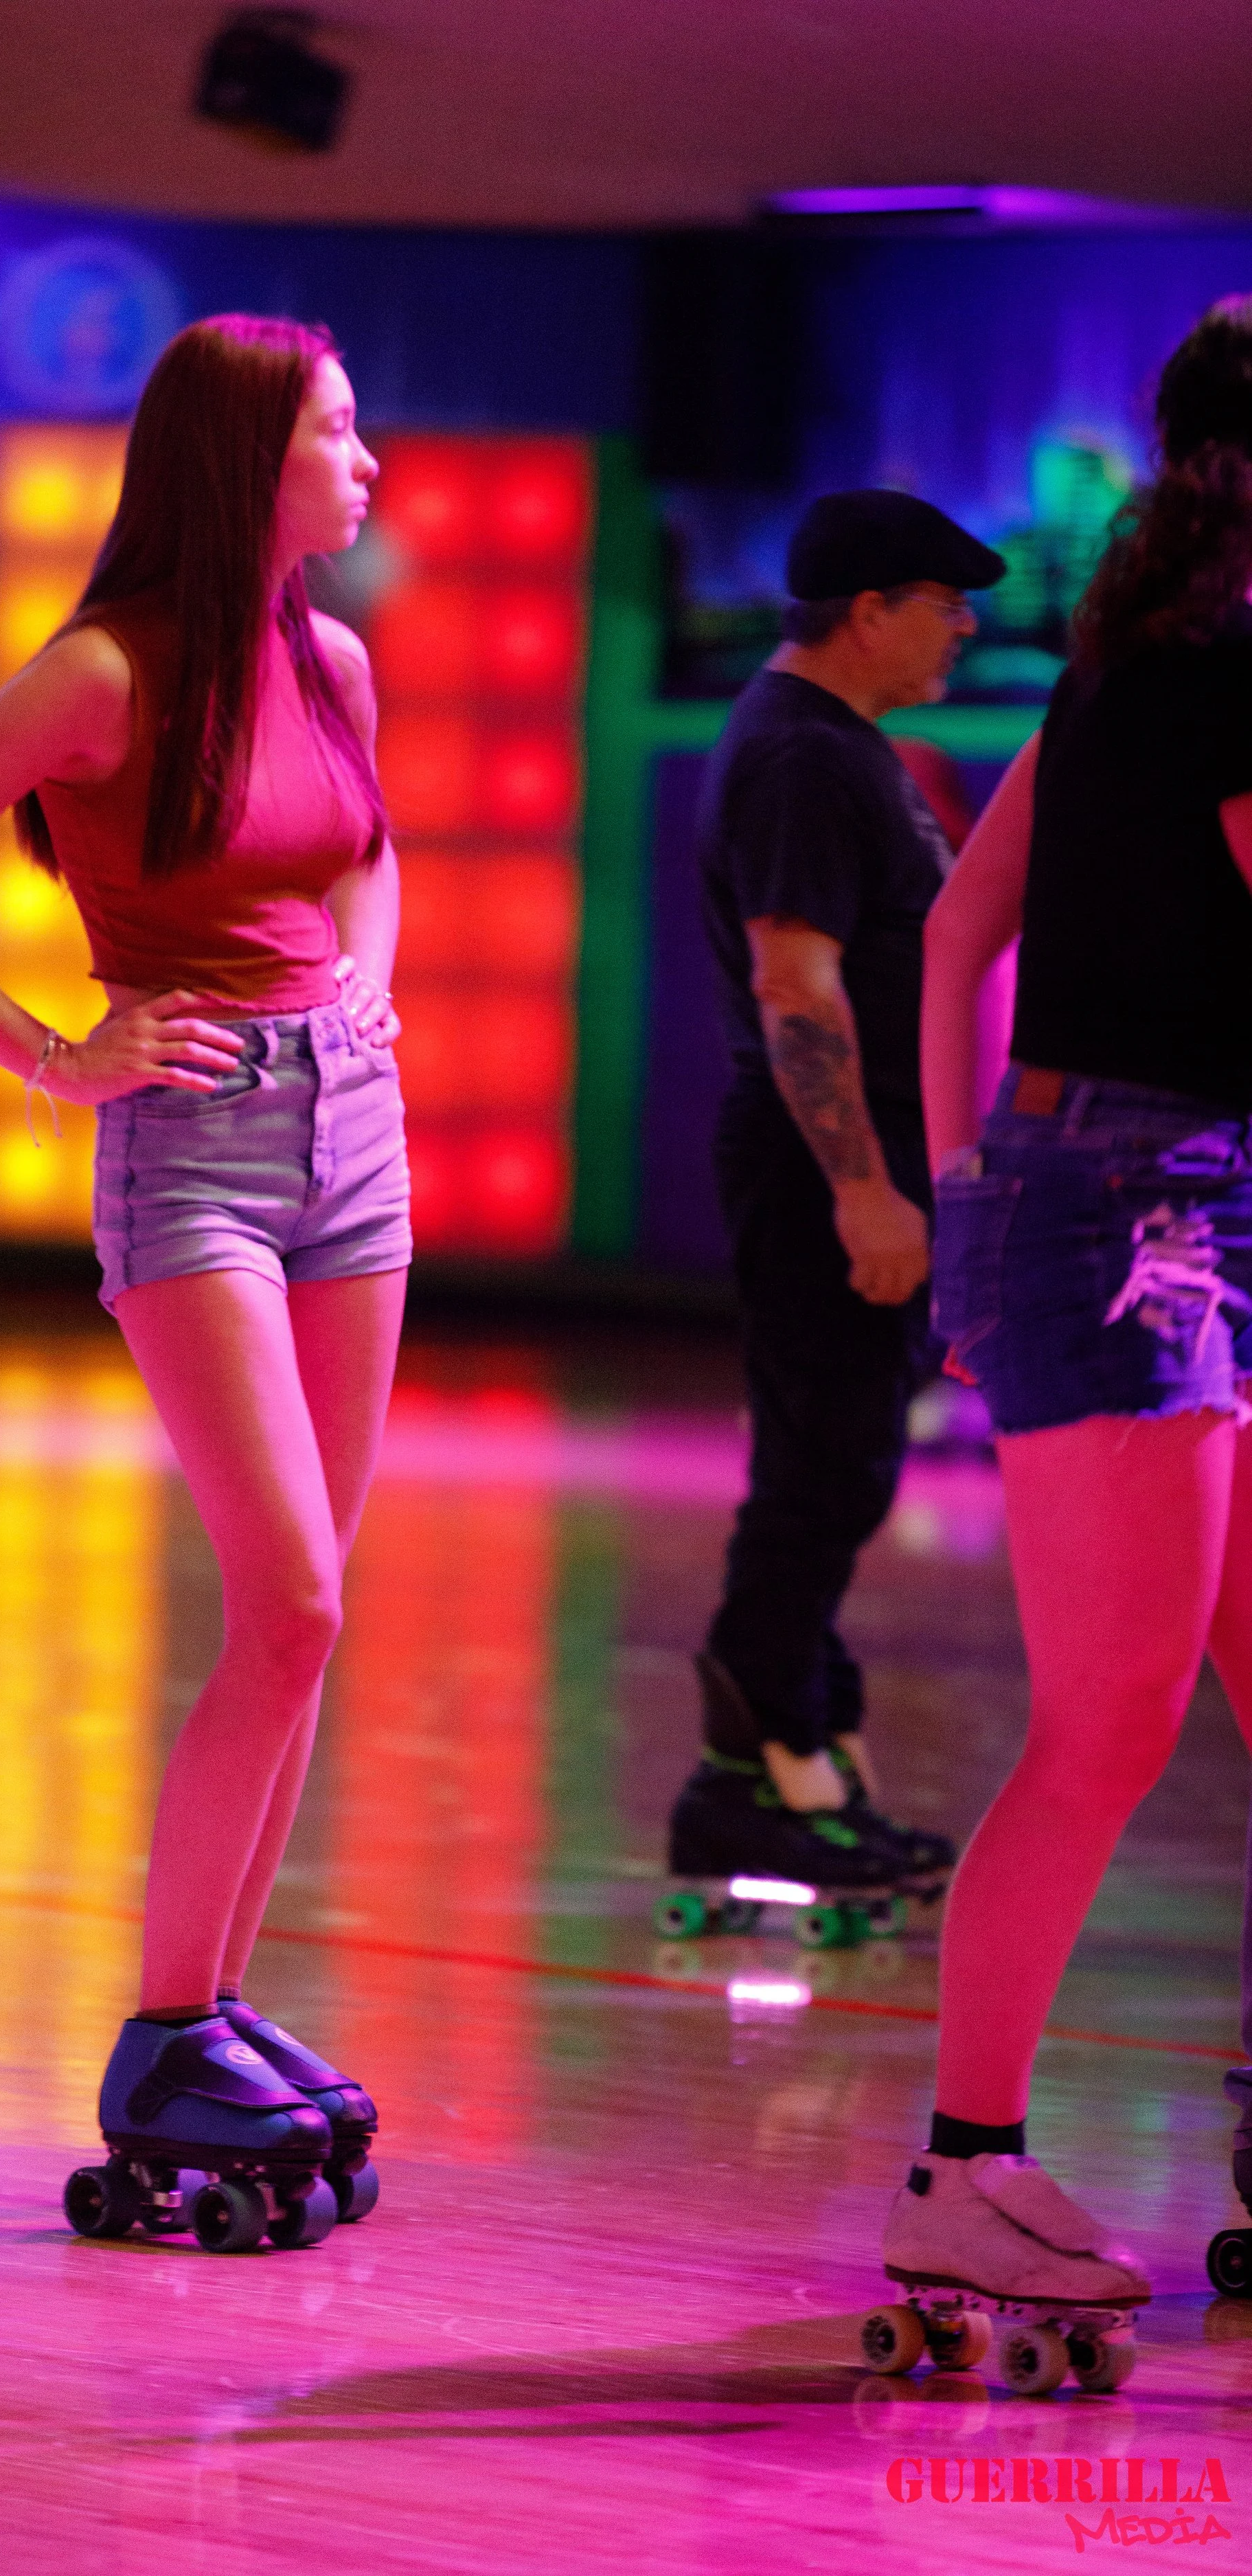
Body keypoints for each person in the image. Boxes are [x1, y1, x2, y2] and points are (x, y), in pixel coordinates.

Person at [0, 315, 407, 2242]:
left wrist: (369, 982)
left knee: (310, 1618)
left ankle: (214, 2004)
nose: (368, 462)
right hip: (198, 1154)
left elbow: (364, 856)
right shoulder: (100, 670)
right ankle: (162, 2029)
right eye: (337, 432)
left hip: (353, 1135)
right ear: (246, 462)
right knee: (288, 1588)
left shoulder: (331, 657)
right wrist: (49, 1047)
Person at [883, 297, 1252, 2318]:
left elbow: (955, 935)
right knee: (1108, 1718)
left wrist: (959, 1199)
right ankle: (963, 2164)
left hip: (1114, 1186)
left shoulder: (1121, 667)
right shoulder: (1218, 671)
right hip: (1146, 1205)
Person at [668, 491, 1005, 1903]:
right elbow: (793, 984)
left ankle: (810, 1753)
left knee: (834, 1459)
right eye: (940, 603)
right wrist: (863, 1188)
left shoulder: (832, 749)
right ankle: (750, 1781)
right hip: (824, 1164)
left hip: (842, 1159)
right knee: (825, 1465)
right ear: (866, 610)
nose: (964, 629)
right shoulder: (803, 758)